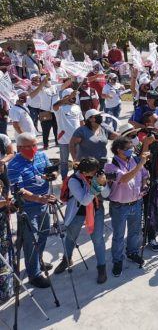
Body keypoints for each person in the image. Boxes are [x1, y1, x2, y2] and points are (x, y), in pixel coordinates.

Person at [7, 133, 57, 288]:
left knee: (44, 233)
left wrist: (52, 175)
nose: (33, 149)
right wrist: (39, 198)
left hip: (44, 203)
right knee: (31, 240)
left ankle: (38, 260)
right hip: (28, 208)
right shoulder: (14, 165)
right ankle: (34, 274)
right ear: (19, 147)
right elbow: (19, 191)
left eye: (34, 145)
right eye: (28, 146)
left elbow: (51, 170)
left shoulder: (41, 155)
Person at [53, 157, 109, 284]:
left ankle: (101, 267)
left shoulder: (97, 176)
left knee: (98, 240)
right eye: (93, 172)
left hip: (96, 211)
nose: (96, 174)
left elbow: (106, 194)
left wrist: (104, 184)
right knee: (71, 237)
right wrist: (96, 186)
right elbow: (84, 201)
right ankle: (66, 260)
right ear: (85, 172)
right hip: (77, 213)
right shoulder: (74, 180)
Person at [104, 137, 149, 276]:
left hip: (136, 203)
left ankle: (132, 252)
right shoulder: (110, 165)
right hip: (119, 207)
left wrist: (145, 184)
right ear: (119, 150)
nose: (132, 150)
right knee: (118, 235)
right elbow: (124, 179)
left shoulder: (134, 160)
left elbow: (145, 174)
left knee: (135, 232)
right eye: (128, 148)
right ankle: (117, 261)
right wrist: (140, 164)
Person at [53, 88, 84, 179]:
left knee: (77, 160)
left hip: (76, 140)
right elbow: (55, 106)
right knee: (64, 161)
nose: (73, 98)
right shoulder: (60, 108)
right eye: (71, 96)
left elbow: (81, 122)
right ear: (65, 97)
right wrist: (69, 97)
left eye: (74, 96)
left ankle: (77, 178)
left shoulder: (77, 107)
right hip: (64, 140)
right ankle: (64, 180)